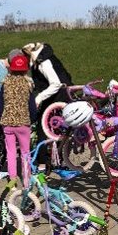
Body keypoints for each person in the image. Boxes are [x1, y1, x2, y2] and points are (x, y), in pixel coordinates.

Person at [22, 42, 73, 170]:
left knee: (43, 128)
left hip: (58, 96)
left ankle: (43, 163)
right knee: (58, 128)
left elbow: (55, 83)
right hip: (60, 94)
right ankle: (57, 160)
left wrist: (39, 98)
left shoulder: (43, 62)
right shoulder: (42, 59)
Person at [0, 54, 37, 187]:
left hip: (8, 123)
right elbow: (32, 106)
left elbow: (0, 105)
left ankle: (12, 180)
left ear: (11, 69)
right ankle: (26, 181)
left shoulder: (5, 83)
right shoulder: (28, 84)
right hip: (23, 123)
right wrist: (33, 118)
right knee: (25, 152)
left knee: (11, 152)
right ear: (26, 69)